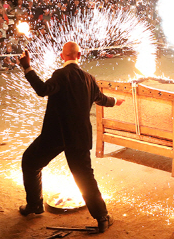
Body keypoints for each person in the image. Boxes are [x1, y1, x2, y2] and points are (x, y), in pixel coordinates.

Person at [18, 42, 123, 233]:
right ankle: (102, 217)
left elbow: (42, 90)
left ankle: (34, 205)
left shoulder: (60, 75)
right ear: (80, 55)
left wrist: (27, 67)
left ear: (62, 56)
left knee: (30, 162)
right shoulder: (89, 79)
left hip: (55, 135)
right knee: (84, 177)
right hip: (78, 137)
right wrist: (115, 101)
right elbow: (101, 99)